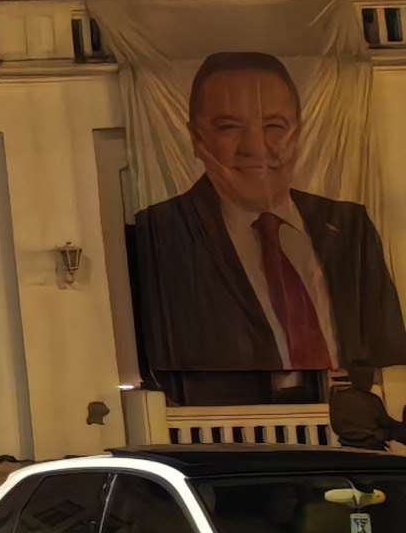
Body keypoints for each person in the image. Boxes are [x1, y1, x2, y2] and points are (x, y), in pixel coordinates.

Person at [125, 51, 406, 390]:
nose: (255, 147)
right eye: (228, 127)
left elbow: (390, 353)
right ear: (196, 138)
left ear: (298, 134)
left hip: (351, 416)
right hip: (230, 419)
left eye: (274, 126)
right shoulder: (162, 235)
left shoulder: (348, 226)